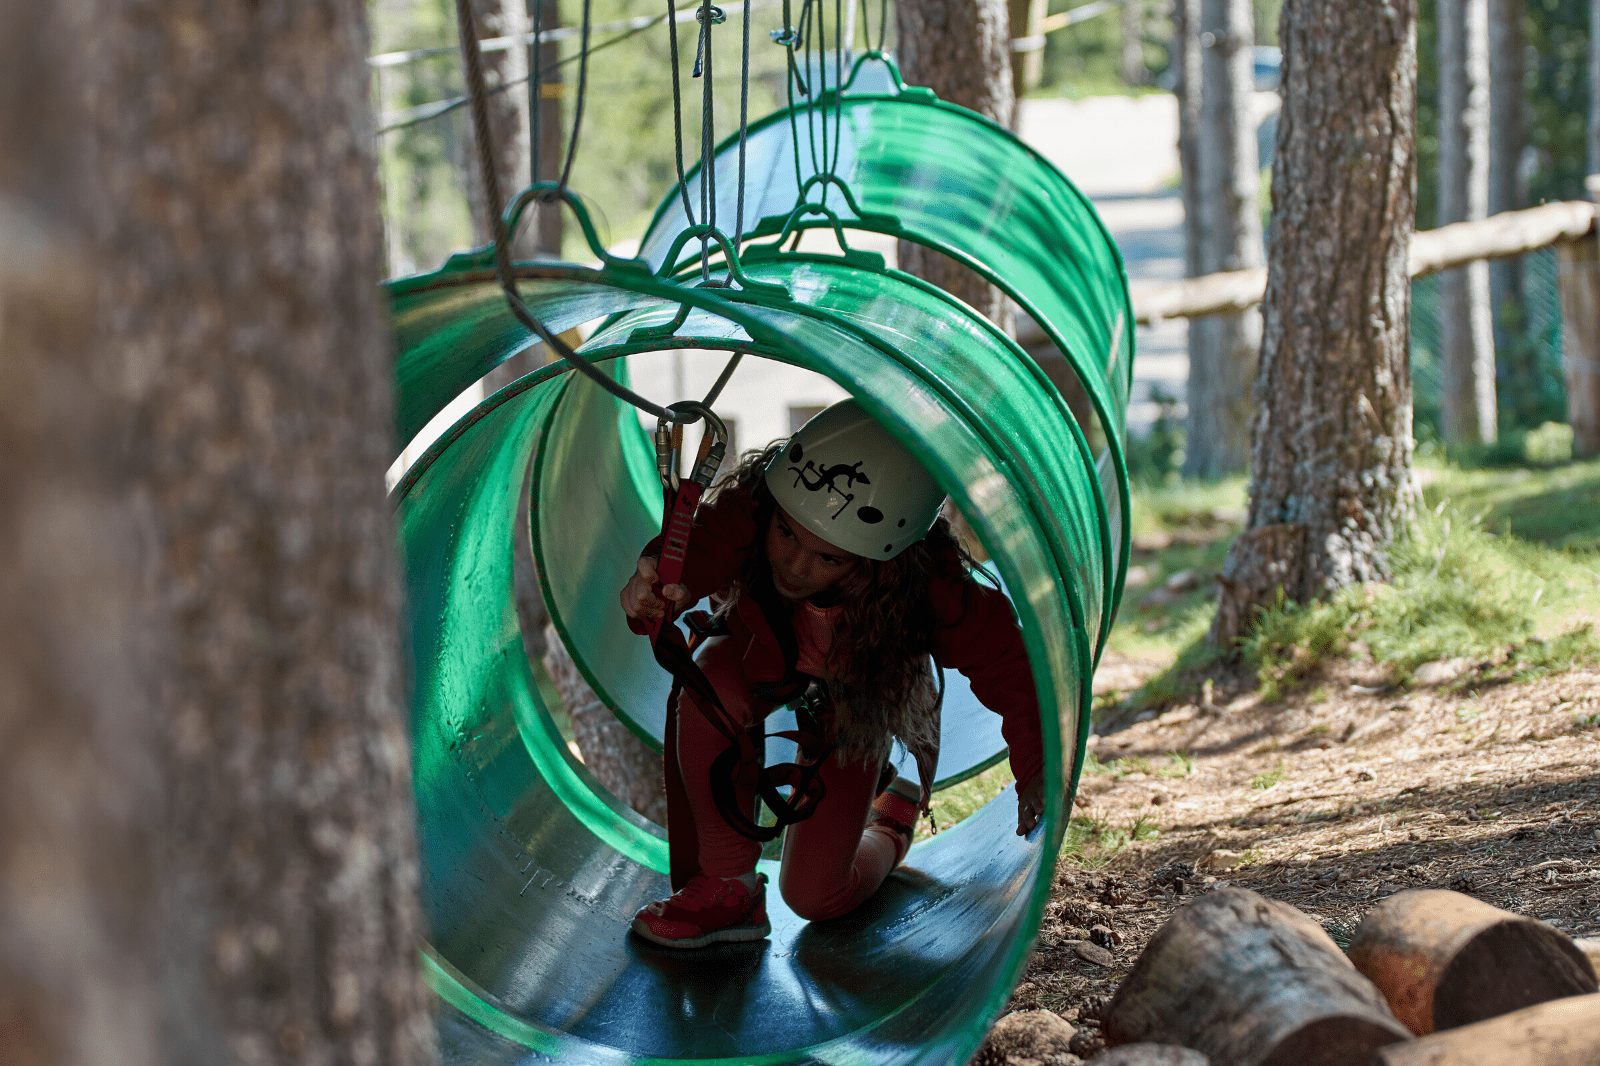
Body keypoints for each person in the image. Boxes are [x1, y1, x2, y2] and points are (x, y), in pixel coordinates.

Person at [620, 399, 1045, 949]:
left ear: (880, 559)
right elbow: (697, 549)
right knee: (709, 687)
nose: (795, 566)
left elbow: (1010, 664)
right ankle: (730, 888)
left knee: (815, 897)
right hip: (763, 653)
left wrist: (1036, 765)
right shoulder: (755, 507)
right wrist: (653, 589)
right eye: (787, 535)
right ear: (773, 506)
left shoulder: (925, 587)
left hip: (862, 692)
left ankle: (891, 823)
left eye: (828, 559)